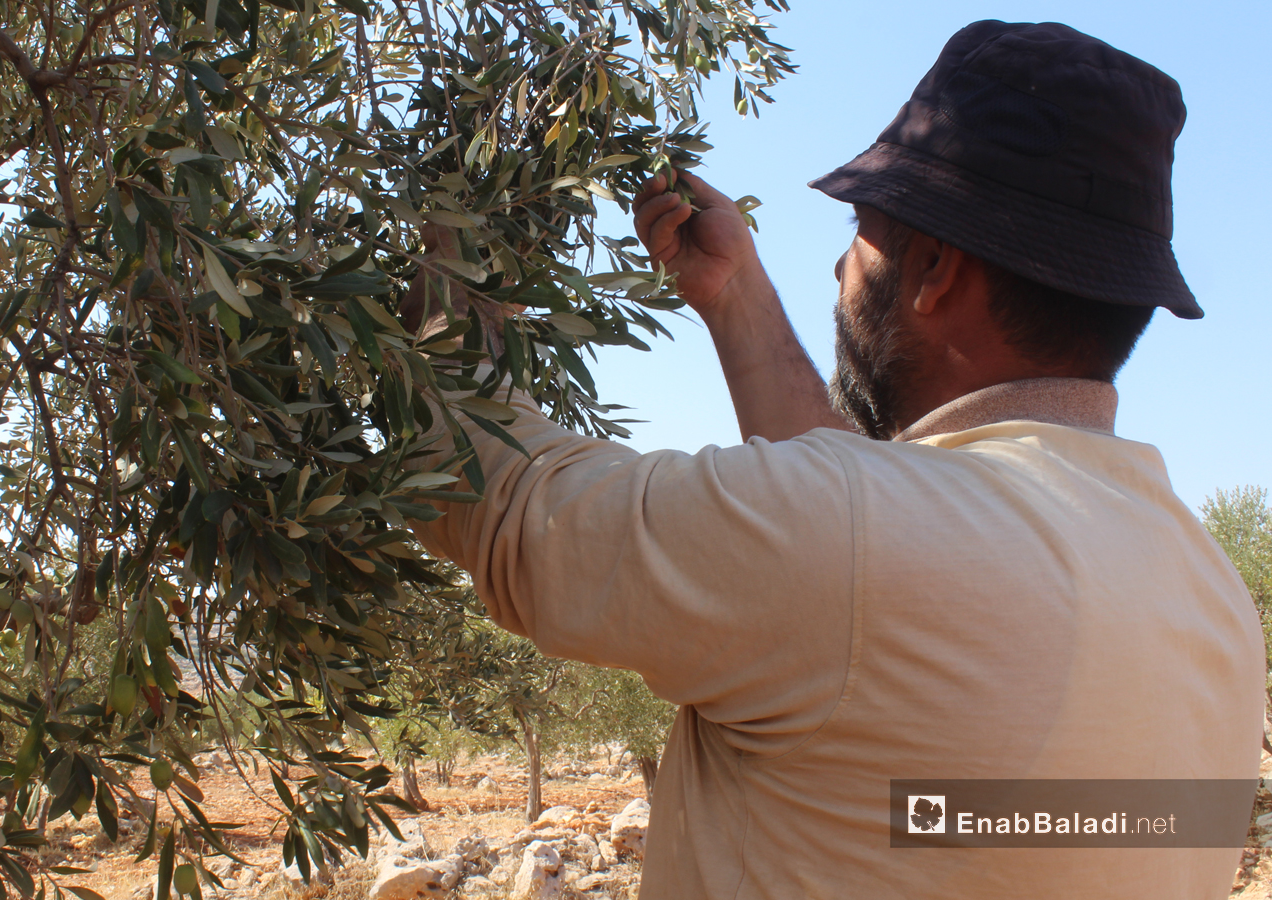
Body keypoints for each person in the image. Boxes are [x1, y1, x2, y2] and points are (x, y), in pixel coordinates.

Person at [405, 20, 1265, 898]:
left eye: (862, 231)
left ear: (933, 269)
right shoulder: (1210, 598)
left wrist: (447, 263)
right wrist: (736, 297)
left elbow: (492, 496)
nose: (840, 268)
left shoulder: (857, 545)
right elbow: (871, 574)